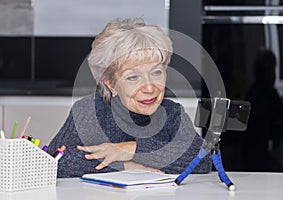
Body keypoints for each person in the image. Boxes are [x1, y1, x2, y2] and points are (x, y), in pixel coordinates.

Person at [47, 18, 211, 178]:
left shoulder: (172, 113)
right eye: (133, 77)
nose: (149, 88)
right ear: (111, 84)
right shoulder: (89, 110)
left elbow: (203, 160)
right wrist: (127, 166)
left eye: (156, 72)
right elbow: (55, 161)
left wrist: (131, 150)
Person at [241, 48, 283, 171]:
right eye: (271, 70)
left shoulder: (252, 91)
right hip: (255, 152)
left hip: (256, 151)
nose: (274, 75)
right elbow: (281, 113)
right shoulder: (265, 93)